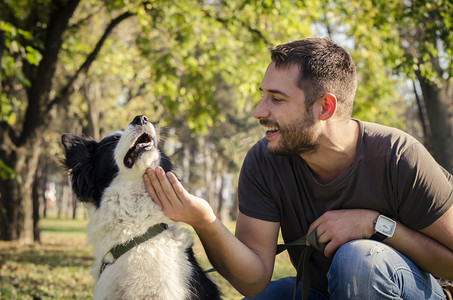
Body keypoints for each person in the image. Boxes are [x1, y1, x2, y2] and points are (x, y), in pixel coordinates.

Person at [143, 37, 453, 299]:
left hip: (409, 287)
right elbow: (253, 280)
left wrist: (377, 225)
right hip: (323, 291)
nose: (258, 111)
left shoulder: (399, 157)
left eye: (276, 99)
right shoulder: (265, 160)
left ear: (325, 107)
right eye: (263, 95)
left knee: (359, 260)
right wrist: (205, 220)